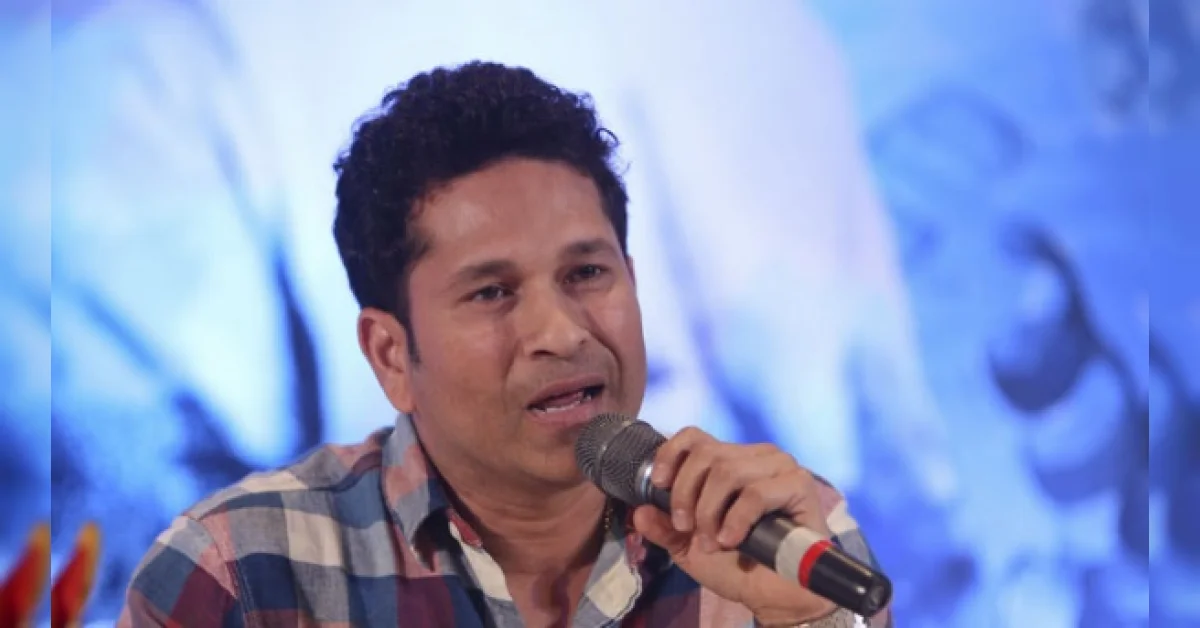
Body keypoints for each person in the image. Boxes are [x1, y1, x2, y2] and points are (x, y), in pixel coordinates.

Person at [118, 61, 892, 627]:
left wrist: (802, 619)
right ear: (390, 355)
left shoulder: (784, 533)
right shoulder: (238, 574)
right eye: (491, 292)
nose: (561, 332)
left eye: (586, 273)